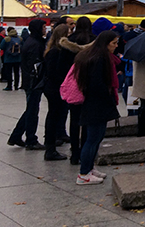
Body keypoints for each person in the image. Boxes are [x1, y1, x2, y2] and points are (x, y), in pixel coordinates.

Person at [72, 30, 120, 184]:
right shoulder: (99, 59)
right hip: (97, 103)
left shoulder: (97, 56)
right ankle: (84, 173)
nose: (116, 46)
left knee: (97, 137)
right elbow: (97, 83)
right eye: (113, 43)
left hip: (96, 102)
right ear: (105, 44)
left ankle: (89, 168)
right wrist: (107, 97)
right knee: (92, 138)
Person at [6, 19, 48, 150]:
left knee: (31, 109)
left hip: (31, 81)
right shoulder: (35, 44)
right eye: (43, 27)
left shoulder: (31, 41)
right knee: (32, 111)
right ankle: (31, 138)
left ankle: (16, 135)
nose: (45, 30)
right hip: (33, 82)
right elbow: (35, 65)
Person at [41, 24, 77, 161]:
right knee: (54, 116)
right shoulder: (57, 51)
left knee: (53, 116)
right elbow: (55, 71)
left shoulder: (52, 49)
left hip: (53, 86)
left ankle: (51, 145)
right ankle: (50, 148)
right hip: (55, 88)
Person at [66, 17, 95, 166]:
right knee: (86, 121)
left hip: (73, 84)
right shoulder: (94, 41)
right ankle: (84, 150)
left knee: (74, 120)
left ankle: (74, 152)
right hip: (88, 85)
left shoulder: (69, 40)